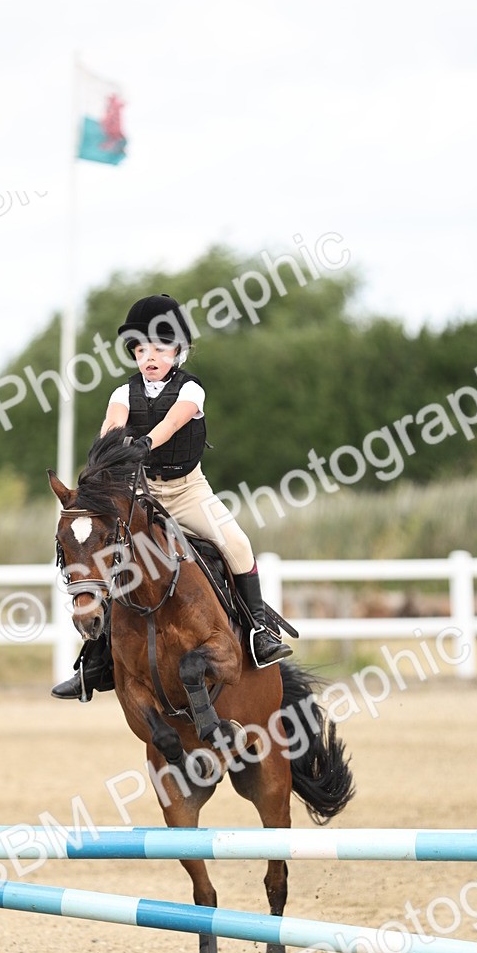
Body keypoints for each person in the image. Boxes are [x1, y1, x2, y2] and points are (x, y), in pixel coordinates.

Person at [52, 293, 292, 700]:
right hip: (140, 492)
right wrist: (105, 450)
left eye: (160, 349)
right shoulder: (123, 393)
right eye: (141, 350)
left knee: (237, 544)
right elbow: (113, 422)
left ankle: (258, 631)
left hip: (187, 491)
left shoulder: (191, 389)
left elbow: (174, 422)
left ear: (178, 351)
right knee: (113, 562)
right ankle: (95, 660)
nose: (149, 357)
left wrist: (145, 442)